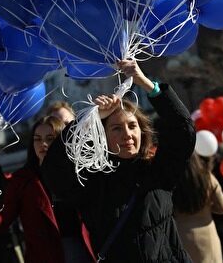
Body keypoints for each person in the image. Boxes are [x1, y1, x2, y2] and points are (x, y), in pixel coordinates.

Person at [42, 59, 195, 262]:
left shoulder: (157, 170)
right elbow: (54, 168)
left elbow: (183, 131)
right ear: (102, 136)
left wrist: (147, 84)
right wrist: (91, 120)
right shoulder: (92, 180)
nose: (127, 135)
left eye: (132, 126)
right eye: (116, 128)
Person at [0, 115, 95, 263]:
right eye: (37, 139)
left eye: (50, 138)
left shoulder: (79, 173)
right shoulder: (23, 180)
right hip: (44, 256)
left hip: (82, 251)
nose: (43, 144)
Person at [173, 153, 223, 262]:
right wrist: (207, 208)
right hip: (208, 236)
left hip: (181, 236)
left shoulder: (170, 182)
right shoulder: (207, 177)